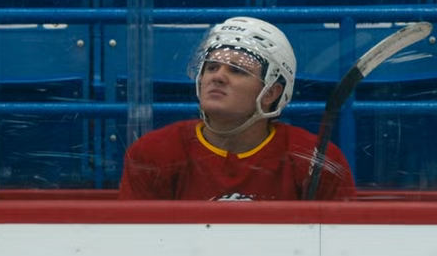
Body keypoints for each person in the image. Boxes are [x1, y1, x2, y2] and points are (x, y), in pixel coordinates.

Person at [118, 16, 357, 201]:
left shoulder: (316, 160)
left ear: (271, 92)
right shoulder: (153, 153)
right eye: (211, 67)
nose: (218, 77)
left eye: (237, 70)